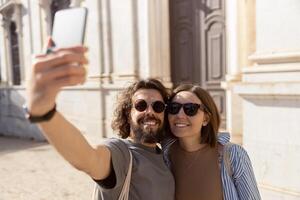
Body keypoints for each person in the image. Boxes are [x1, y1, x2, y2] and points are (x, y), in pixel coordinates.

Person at [25, 42, 175, 199]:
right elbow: (89, 158)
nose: (150, 111)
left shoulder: (165, 155)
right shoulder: (122, 153)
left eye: (158, 106)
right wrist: (43, 112)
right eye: (141, 105)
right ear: (128, 113)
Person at [164, 84, 261, 200]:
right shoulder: (164, 155)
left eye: (190, 109)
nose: (180, 115)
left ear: (206, 119)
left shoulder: (233, 154)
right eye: (174, 108)